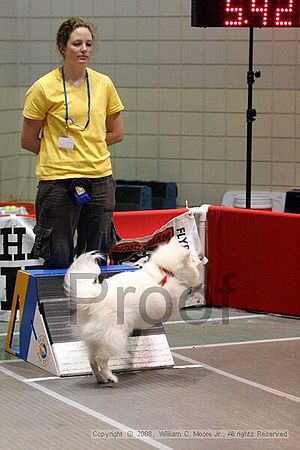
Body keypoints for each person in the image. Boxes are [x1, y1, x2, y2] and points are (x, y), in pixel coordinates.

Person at [21, 17, 124, 268]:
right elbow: (27, 140)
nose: (84, 49)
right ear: (62, 47)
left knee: (96, 254)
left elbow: (116, 133)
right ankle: (58, 307)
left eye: (88, 44)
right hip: (58, 180)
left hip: (99, 177)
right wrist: (58, 154)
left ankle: (93, 306)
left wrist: (89, 147)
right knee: (58, 253)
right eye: (77, 43)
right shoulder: (43, 88)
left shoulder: (104, 83)